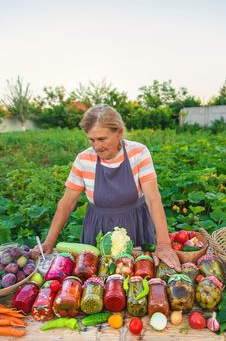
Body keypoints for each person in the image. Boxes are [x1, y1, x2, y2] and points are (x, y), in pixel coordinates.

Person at [34, 104, 180, 271]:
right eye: (92, 140)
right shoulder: (83, 160)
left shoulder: (139, 153)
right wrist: (49, 242)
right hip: (98, 228)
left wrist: (163, 244)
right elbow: (67, 203)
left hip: (135, 225)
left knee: (137, 274)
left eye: (102, 139)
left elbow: (153, 199)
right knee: (97, 280)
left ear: (119, 133)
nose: (97, 146)